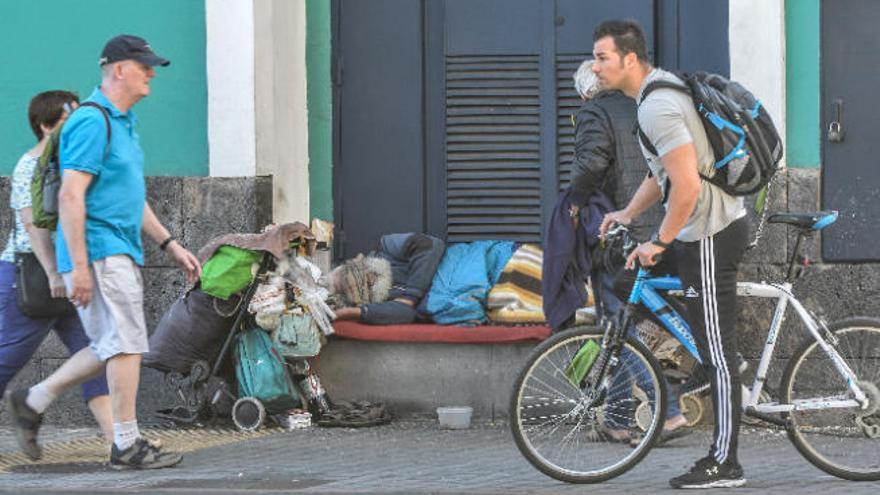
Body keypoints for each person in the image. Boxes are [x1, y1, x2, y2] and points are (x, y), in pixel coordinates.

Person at [6, 34, 201, 470]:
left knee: (112, 343)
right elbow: (71, 196)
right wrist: (74, 266)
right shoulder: (93, 121)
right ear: (118, 69)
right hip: (100, 251)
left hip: (114, 247)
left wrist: (170, 244)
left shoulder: (122, 121)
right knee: (128, 344)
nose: (151, 72)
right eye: (144, 65)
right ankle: (125, 444)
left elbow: (132, 197)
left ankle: (33, 399)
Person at [593, 20, 750, 489]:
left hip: (708, 232)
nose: (594, 66)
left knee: (721, 355)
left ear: (630, 59)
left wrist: (658, 241)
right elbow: (659, 174)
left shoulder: (659, 104)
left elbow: (684, 187)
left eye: (602, 57)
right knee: (627, 283)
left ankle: (726, 463)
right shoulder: (654, 98)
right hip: (698, 229)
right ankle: (709, 349)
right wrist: (625, 214)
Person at [569, 60, 690, 444]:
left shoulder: (593, 111)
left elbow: (591, 164)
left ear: (587, 91)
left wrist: (574, 202)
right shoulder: (642, 105)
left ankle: (668, 413)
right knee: (617, 327)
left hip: (623, 233)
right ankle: (618, 419)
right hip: (665, 226)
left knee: (619, 324)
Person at [0, 91, 113, 445]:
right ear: (45, 126)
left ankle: (118, 442)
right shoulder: (29, 166)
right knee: (6, 359)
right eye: (70, 120)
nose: (80, 126)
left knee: (101, 351)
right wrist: (53, 273)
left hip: (70, 274)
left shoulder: (73, 165)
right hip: (31, 277)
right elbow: (32, 226)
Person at [329, 233, 445, 325]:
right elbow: (408, 314)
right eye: (356, 287)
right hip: (447, 301)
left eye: (356, 273)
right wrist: (355, 312)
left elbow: (428, 244)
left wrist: (411, 296)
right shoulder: (379, 301)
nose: (368, 279)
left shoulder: (384, 247)